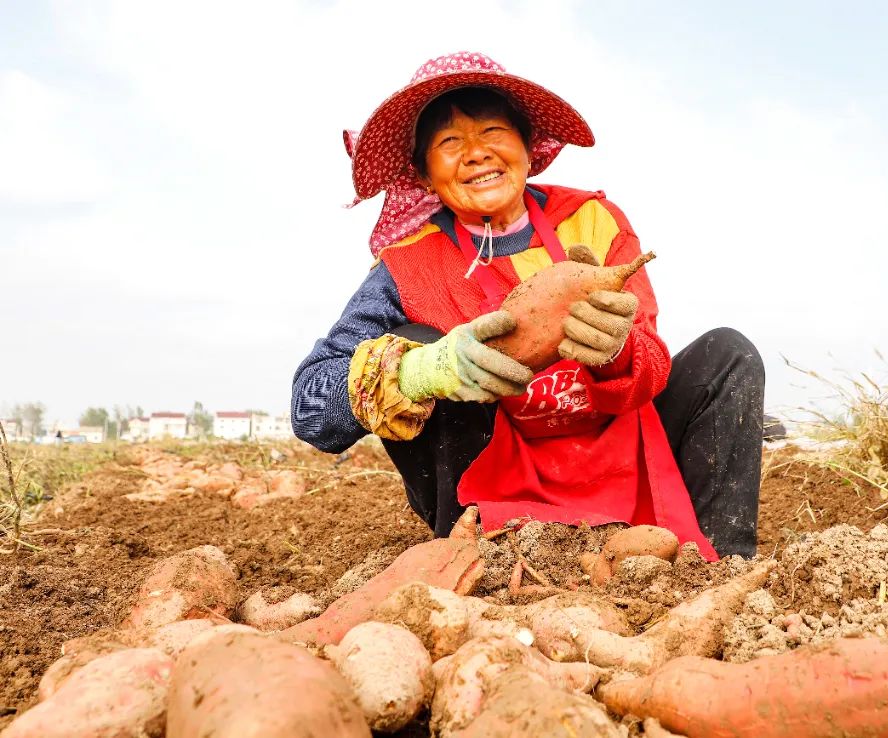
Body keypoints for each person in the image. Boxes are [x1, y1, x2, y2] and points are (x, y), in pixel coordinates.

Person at [293, 52, 765, 559]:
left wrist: (618, 351)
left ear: (527, 148)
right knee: (417, 345)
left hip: (619, 451)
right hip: (491, 479)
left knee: (728, 354)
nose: (476, 153)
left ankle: (719, 565)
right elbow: (309, 410)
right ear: (424, 175)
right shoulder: (406, 265)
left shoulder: (594, 220)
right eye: (450, 143)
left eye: (493, 132)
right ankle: (475, 557)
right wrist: (421, 371)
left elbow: (650, 364)